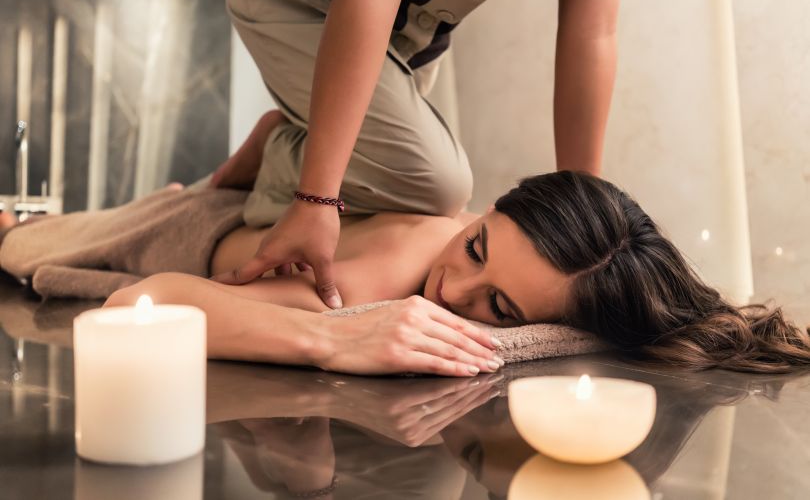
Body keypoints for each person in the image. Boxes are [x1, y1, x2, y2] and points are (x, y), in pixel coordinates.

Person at [209, 0, 623, 311]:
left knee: (399, 192)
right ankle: (283, 148)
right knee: (437, 185)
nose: (454, 294)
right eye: (474, 251)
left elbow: (593, 32)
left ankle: (292, 138)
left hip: (409, 42)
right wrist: (316, 195)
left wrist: (582, 213)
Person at [104, 170, 810, 376]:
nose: (451, 292)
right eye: (476, 248)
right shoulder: (388, 273)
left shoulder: (509, 250)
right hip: (178, 230)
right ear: (490, 210)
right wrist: (330, 338)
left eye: (499, 310)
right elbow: (144, 298)